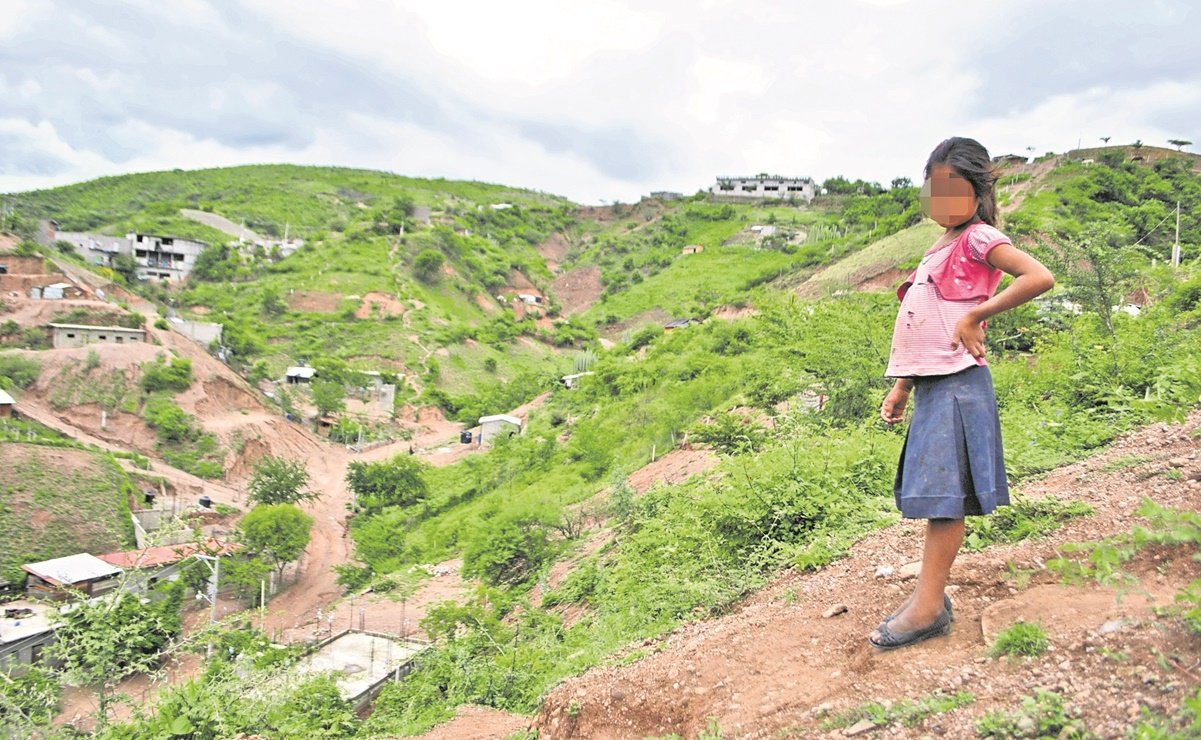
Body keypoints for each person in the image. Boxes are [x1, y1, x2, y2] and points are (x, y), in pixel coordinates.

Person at [870, 137, 1055, 650]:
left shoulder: (979, 238)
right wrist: (903, 388)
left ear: (976, 191)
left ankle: (929, 607)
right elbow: (922, 326)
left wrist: (979, 313)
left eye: (952, 187)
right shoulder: (940, 246)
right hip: (934, 386)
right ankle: (929, 600)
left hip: (958, 386)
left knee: (944, 500)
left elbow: (1039, 276)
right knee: (936, 496)